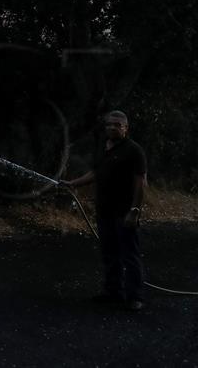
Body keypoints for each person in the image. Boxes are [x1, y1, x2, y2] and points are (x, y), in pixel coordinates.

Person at [61, 110, 147, 311]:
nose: (112, 128)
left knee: (130, 255)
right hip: (104, 210)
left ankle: (135, 297)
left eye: (117, 125)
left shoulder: (134, 150)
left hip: (124, 212)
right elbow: (95, 172)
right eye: (109, 124)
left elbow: (141, 183)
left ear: (126, 128)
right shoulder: (104, 148)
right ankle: (113, 292)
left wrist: (134, 211)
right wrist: (73, 183)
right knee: (109, 253)